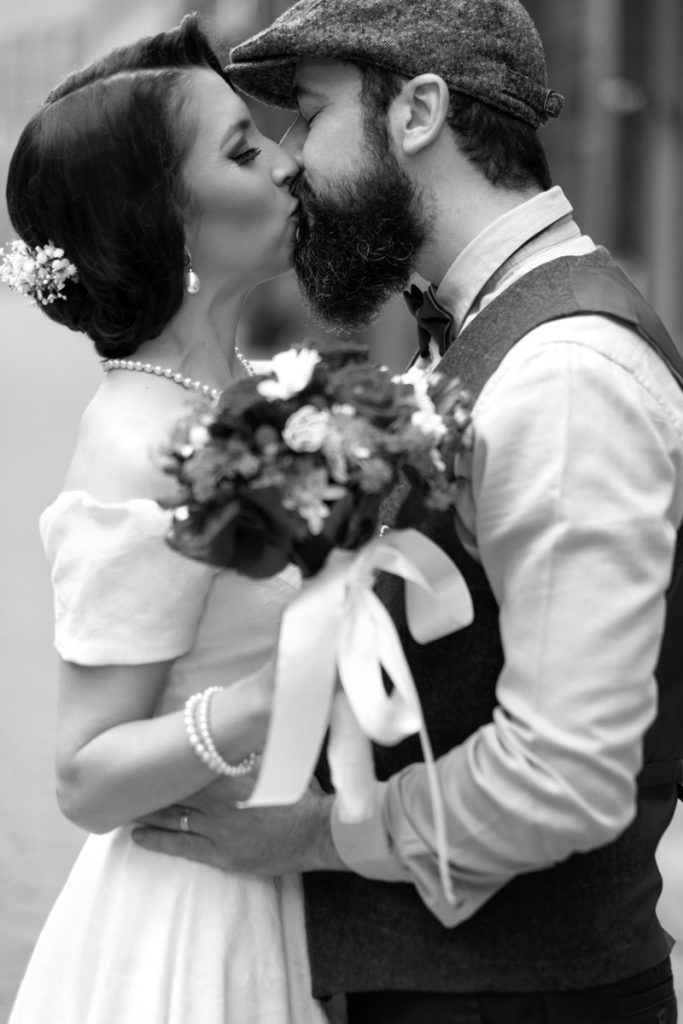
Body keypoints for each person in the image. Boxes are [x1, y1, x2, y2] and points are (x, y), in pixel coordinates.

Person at [132, 1, 683, 1022]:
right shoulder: (486, 333)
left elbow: (562, 775)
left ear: (417, 111)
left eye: (308, 113)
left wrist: (310, 833)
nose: (290, 161)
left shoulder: (561, 372)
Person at [4, 14, 336, 1024]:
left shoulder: (249, 394)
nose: (285, 165)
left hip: (288, 877)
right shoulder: (139, 446)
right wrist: (260, 703)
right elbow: (85, 775)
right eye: (242, 150)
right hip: (194, 922)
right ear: (169, 224)